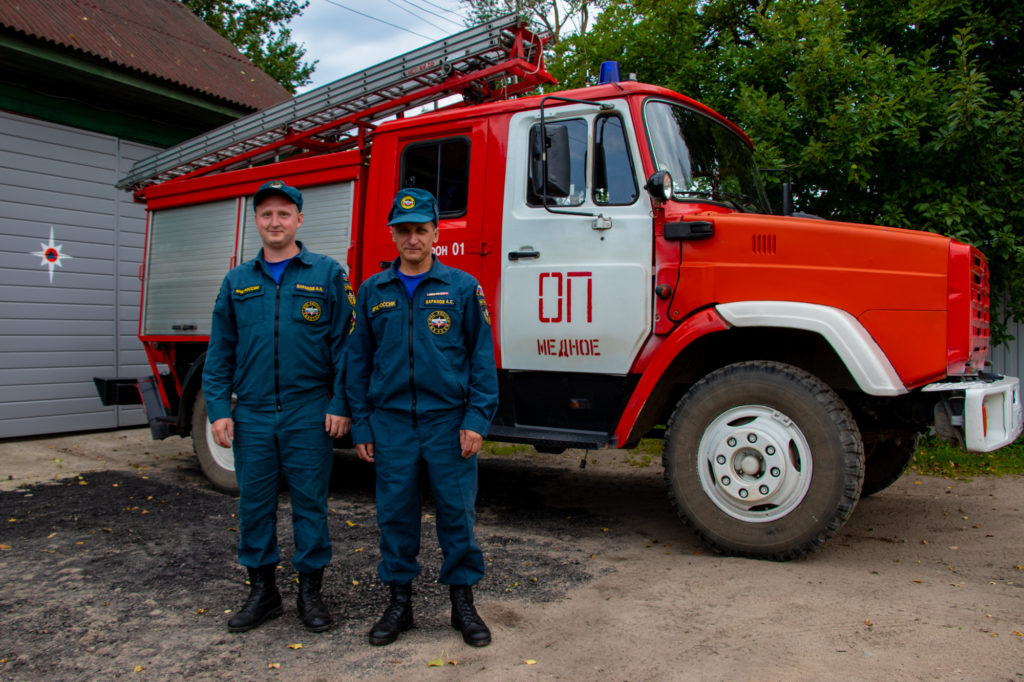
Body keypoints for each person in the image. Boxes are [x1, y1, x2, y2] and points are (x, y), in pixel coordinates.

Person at [346, 187, 499, 647]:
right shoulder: (373, 291)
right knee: (395, 516)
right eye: (404, 230)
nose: (412, 239)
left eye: (420, 230)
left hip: (448, 423)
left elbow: (482, 358)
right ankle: (400, 605)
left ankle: (462, 605)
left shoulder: (462, 288)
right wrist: (362, 423)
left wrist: (476, 419)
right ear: (393, 235)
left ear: (436, 233)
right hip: (391, 423)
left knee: (457, 515)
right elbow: (358, 362)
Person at [203, 180, 355, 633]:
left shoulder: (326, 274)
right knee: (254, 506)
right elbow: (220, 351)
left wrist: (340, 402)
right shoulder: (237, 281)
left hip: (308, 411)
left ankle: (311, 594)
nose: (275, 222)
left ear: (299, 220)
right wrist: (218, 409)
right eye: (267, 214)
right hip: (251, 412)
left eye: (284, 214)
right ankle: (263, 592)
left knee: (310, 505)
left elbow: (346, 347)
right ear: (256, 221)